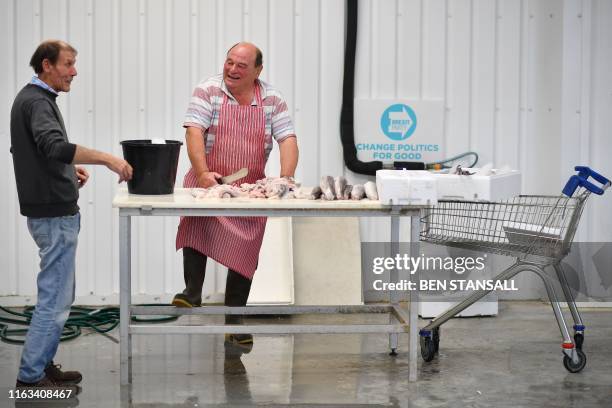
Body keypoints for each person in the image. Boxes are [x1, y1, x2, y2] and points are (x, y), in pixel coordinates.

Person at [10, 40, 133, 394]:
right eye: (68, 64)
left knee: (59, 297)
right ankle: (31, 378)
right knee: (55, 300)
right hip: (53, 215)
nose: (74, 71)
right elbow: (54, 147)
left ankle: (41, 366)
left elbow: (36, 152)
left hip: (49, 210)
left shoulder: (32, 100)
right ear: (47, 65)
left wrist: (67, 171)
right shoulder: (37, 102)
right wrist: (109, 159)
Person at [174, 42, 299, 348]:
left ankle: (235, 322)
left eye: (241, 66)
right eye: (229, 62)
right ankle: (192, 292)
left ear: (257, 71)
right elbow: (193, 132)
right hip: (208, 179)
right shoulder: (207, 90)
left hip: (249, 188)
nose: (232, 69)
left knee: (244, 254)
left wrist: (286, 177)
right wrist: (203, 174)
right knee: (196, 226)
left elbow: (287, 139)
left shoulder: (271, 98)